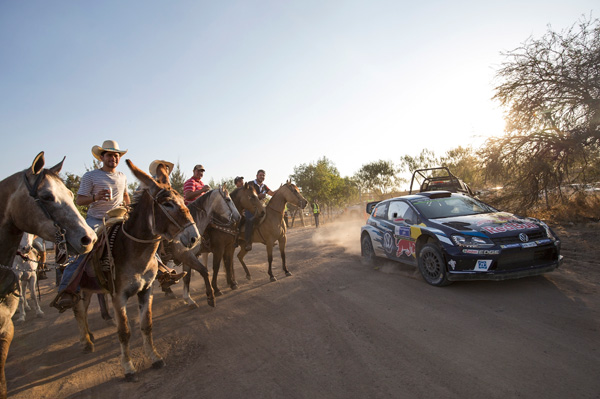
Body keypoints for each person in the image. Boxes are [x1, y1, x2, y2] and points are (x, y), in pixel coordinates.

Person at [51, 140, 130, 312]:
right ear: (102, 157)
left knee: (141, 235)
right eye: (109, 155)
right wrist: (95, 198)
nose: (114, 158)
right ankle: (67, 289)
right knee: (85, 246)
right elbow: (79, 200)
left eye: (116, 155)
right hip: (96, 219)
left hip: (118, 217)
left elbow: (125, 195)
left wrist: (128, 208)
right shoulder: (90, 176)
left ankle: (161, 271)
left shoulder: (122, 176)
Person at [146, 160, 186, 291]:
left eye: (167, 169)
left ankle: (172, 260)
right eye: (164, 169)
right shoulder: (149, 183)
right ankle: (164, 271)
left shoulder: (167, 186)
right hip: (149, 220)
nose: (167, 171)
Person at [244, 169, 275, 251]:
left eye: (263, 175)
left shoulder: (264, 186)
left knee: (270, 218)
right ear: (256, 176)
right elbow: (247, 196)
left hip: (261, 207)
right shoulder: (250, 184)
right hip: (251, 207)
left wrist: (282, 190)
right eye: (260, 175)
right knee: (250, 220)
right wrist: (258, 196)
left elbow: (272, 193)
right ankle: (247, 242)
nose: (262, 177)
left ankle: (268, 238)